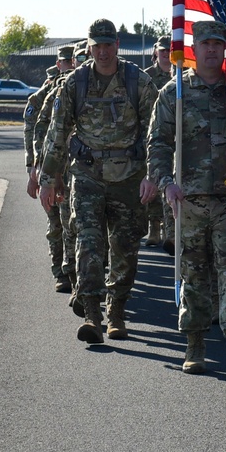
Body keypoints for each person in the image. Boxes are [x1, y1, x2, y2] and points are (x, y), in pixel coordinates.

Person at [147, 20, 226, 380]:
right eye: (206, 44)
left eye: (218, 44)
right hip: (190, 200)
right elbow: (159, 144)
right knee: (194, 274)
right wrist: (166, 182)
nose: (212, 50)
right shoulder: (175, 92)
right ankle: (195, 344)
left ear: (225, 48)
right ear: (194, 48)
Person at [39, 18, 158, 344]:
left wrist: (153, 175)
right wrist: (49, 178)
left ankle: (116, 310)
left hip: (128, 178)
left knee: (125, 247)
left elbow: (157, 133)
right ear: (90, 47)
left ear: (117, 45)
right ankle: (92, 314)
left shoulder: (138, 81)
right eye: (97, 45)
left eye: (108, 45)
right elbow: (57, 133)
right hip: (88, 176)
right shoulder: (75, 83)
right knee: (88, 243)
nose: (103, 51)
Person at [23, 45, 76, 292]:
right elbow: (37, 131)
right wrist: (35, 167)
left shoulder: (83, 87)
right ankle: (61, 271)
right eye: (65, 62)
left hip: (78, 168)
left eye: (72, 61)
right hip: (53, 167)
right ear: (59, 63)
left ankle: (75, 270)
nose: (69, 65)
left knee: (76, 223)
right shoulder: (46, 95)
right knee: (56, 222)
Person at [143, 35, 174, 249]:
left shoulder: (179, 75)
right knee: (154, 176)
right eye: (162, 50)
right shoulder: (147, 77)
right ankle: (154, 225)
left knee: (171, 179)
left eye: (169, 50)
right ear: (156, 52)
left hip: (173, 132)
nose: (165, 53)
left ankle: (170, 228)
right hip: (151, 132)